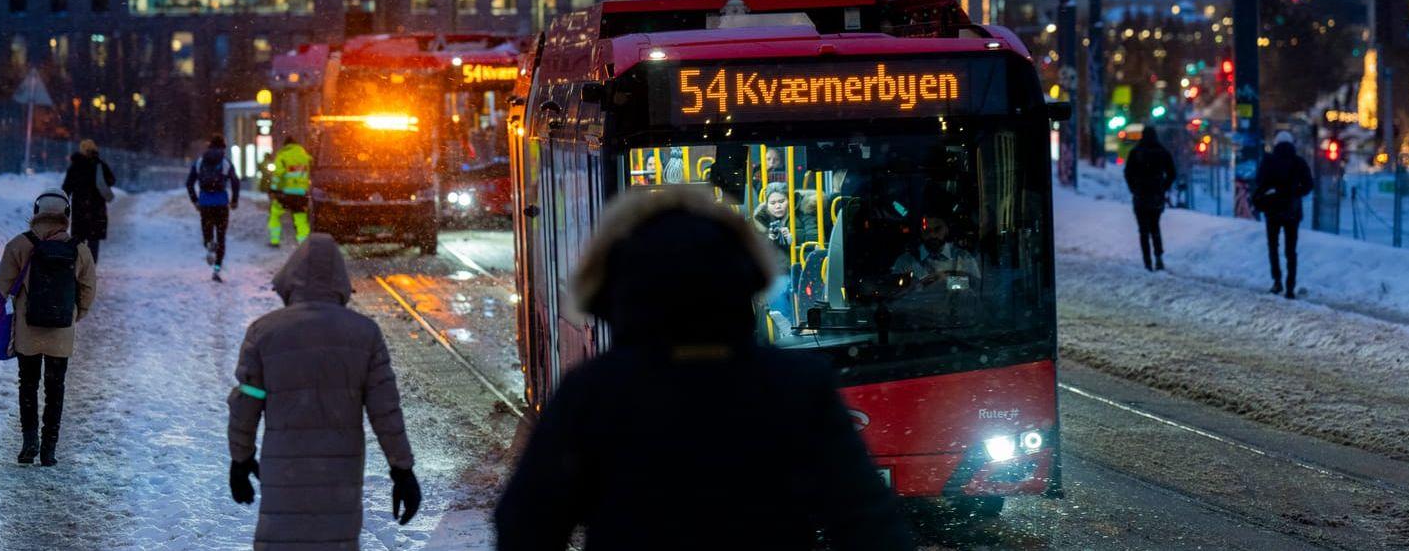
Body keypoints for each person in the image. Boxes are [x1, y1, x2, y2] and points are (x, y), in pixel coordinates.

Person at [495, 189, 913, 551]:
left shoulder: (592, 392)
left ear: (616, 286)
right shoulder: (797, 386)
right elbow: (867, 521)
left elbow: (526, 522)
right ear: (743, 280)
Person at [227, 234, 422, 549]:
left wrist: (240, 459)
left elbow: (247, 401)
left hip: (284, 472)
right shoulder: (364, 334)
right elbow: (385, 410)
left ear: (290, 278)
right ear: (340, 281)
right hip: (340, 476)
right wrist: (402, 469)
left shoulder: (264, 333)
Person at [0, 188, 96, 466]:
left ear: (37, 211)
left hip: (28, 329)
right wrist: (76, 313)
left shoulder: (20, 244)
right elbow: (87, 289)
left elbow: (2, 283)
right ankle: (49, 447)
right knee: (55, 387)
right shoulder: (79, 249)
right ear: (66, 214)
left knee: (27, 384)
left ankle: (29, 442)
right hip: (61, 330)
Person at [1253, 130, 1314, 299]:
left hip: (1272, 211)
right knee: (1291, 250)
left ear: (1276, 144)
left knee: (1273, 247)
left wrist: (1272, 193)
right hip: (1292, 211)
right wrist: (1294, 193)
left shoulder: (1269, 161)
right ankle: (1290, 287)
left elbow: (1259, 182)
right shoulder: (1298, 162)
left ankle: (1277, 281)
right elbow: (1309, 185)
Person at [1123, 125, 1177, 271]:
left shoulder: (1136, 152)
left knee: (1143, 231)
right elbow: (1172, 173)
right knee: (1155, 227)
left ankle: (1147, 261)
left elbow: (1128, 173)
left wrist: (1134, 188)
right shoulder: (1162, 152)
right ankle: (1158, 257)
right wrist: (1163, 187)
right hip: (1156, 195)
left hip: (1140, 195)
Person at [186, 135, 240, 280]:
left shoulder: (199, 162)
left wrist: (195, 200)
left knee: (207, 230)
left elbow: (189, 183)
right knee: (221, 236)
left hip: (205, 203)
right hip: (221, 203)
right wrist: (234, 200)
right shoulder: (225, 162)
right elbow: (235, 182)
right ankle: (216, 269)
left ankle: (209, 245)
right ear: (223, 147)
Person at [61, 139, 116, 263]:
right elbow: (112, 180)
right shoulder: (100, 165)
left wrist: (63, 202)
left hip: (80, 208)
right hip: (96, 209)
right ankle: (90, 267)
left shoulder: (75, 166)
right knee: (93, 240)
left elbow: (67, 187)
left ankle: (77, 265)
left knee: (78, 240)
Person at [891, 213, 981, 285]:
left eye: (937, 229)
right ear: (920, 231)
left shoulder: (963, 258)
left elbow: (976, 287)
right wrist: (921, 284)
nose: (932, 235)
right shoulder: (905, 261)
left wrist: (945, 281)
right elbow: (895, 294)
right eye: (926, 230)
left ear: (947, 229)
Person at [269, 136, 312, 247]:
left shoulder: (282, 155)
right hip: (301, 194)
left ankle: (275, 240)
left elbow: (278, 174)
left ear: (286, 145)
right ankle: (304, 244)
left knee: (275, 214)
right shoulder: (305, 156)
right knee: (300, 219)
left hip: (285, 194)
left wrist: (273, 189)